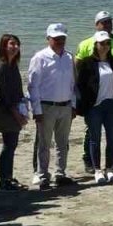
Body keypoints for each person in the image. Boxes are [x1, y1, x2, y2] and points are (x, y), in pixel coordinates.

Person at [28, 23, 77, 189]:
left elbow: (72, 84)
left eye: (62, 38)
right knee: (45, 143)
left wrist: (73, 104)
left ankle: (60, 173)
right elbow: (33, 86)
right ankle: (42, 175)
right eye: (56, 38)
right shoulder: (40, 57)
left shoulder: (70, 57)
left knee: (63, 143)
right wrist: (36, 109)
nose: (60, 41)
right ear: (48, 38)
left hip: (65, 106)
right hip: (47, 106)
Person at [76, 31, 113, 184]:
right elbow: (80, 86)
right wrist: (82, 106)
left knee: (112, 138)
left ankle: (109, 168)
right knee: (94, 138)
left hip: (111, 104)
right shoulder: (87, 63)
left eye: (107, 43)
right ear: (95, 45)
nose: (105, 46)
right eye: (102, 43)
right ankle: (97, 170)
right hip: (94, 106)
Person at [0, 34, 28, 191]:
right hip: (7, 111)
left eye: (17, 44)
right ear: (4, 46)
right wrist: (16, 113)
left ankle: (8, 177)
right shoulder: (2, 65)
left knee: (11, 145)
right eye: (11, 44)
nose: (15, 47)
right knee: (8, 145)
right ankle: (4, 180)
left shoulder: (13, 64)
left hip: (15, 108)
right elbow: (2, 93)